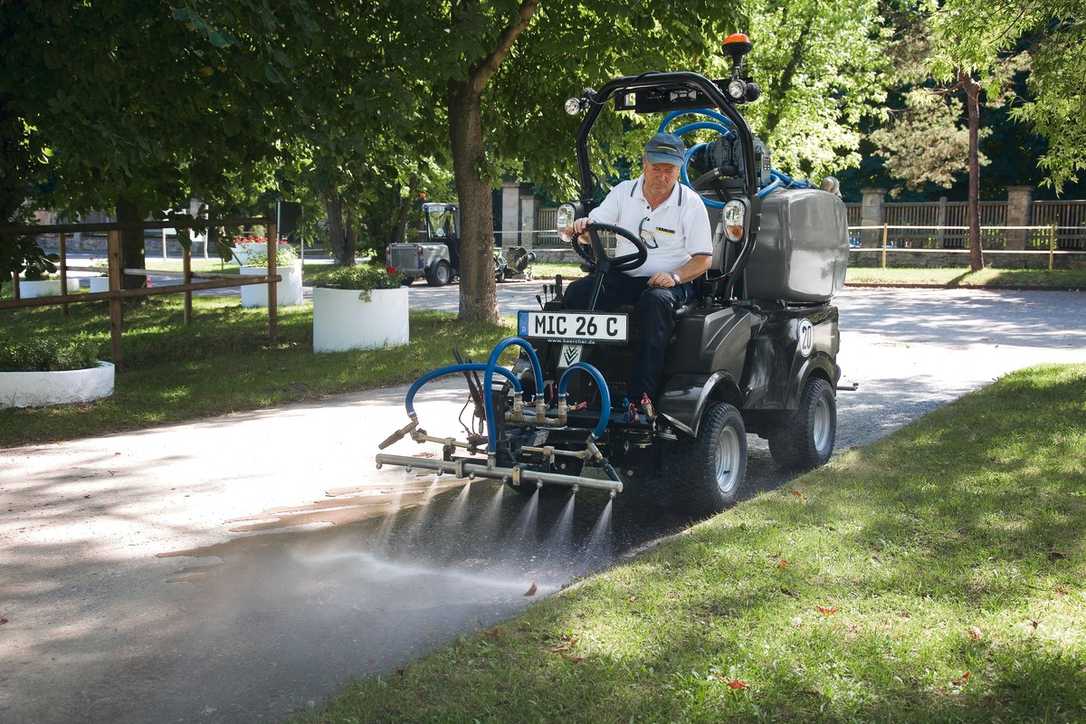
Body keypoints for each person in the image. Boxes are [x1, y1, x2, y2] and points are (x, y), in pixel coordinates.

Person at [562, 132, 713, 412]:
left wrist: (675, 277)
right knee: (578, 294)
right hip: (627, 276)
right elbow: (591, 233)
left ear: (679, 169)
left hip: (672, 283)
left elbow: (703, 260)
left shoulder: (690, 203)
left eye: (670, 170)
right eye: (657, 168)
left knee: (654, 302)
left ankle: (640, 399)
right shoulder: (623, 192)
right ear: (644, 164)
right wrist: (582, 229)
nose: (663, 176)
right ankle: (577, 389)